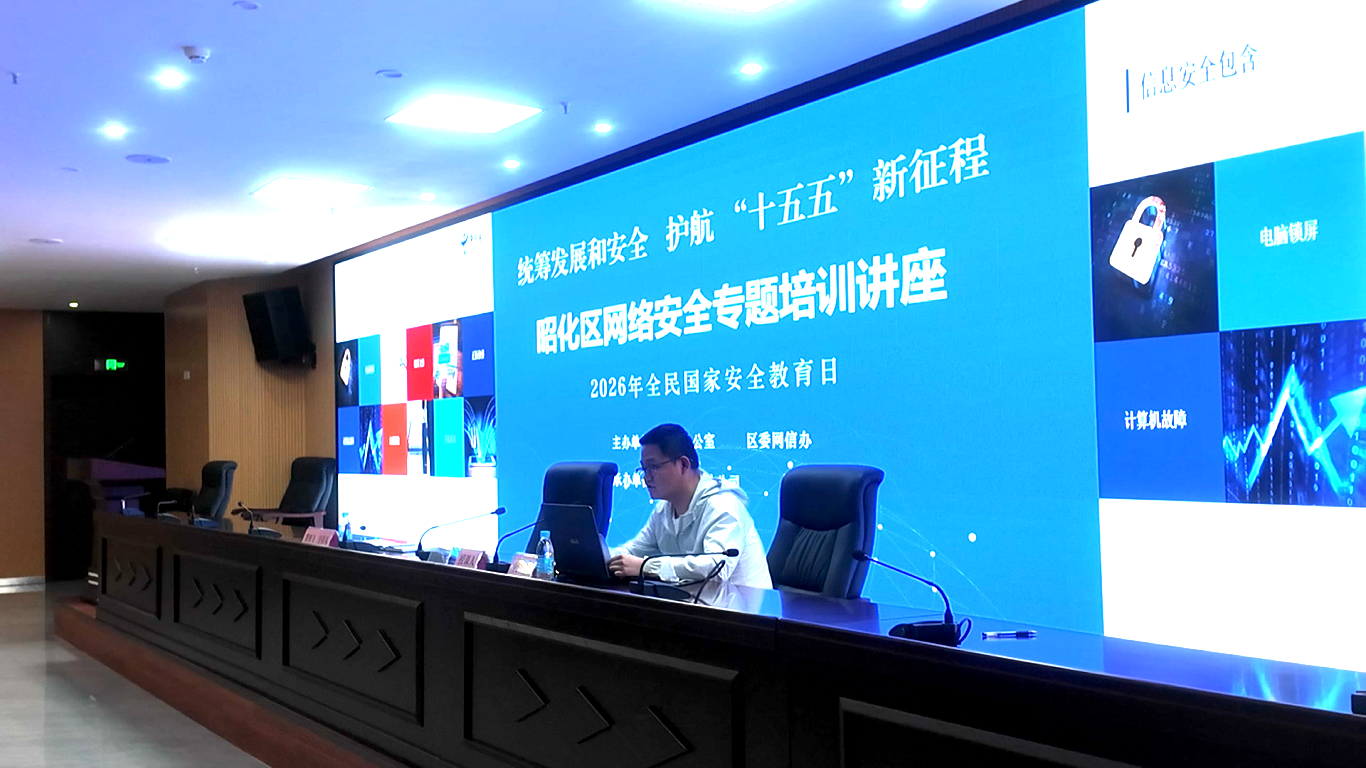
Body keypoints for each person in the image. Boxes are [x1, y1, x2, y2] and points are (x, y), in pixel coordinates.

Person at [608, 424, 772, 594]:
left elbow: (717, 569)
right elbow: (632, 551)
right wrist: (601, 557)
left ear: (684, 464)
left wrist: (646, 567)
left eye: (653, 467)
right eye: (644, 469)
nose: (646, 477)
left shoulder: (723, 506)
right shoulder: (664, 510)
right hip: (694, 604)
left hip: (743, 607)